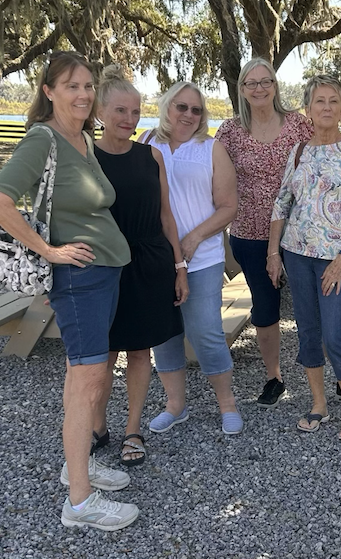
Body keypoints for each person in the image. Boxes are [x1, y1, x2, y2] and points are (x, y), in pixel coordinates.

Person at [0, 52, 138, 530]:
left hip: (105, 274)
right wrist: (49, 251)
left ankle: (75, 465)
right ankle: (78, 503)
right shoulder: (43, 139)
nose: (83, 94)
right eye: (72, 86)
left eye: (87, 86)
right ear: (49, 91)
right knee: (85, 382)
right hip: (79, 280)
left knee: (93, 379)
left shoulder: (81, 139)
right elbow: (1, 202)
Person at [216, 58, 341, 409]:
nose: (259, 88)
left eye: (266, 81)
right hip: (254, 233)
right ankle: (276, 379)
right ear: (242, 89)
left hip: (315, 243)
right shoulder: (231, 131)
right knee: (271, 310)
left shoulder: (299, 126)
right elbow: (210, 172)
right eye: (251, 82)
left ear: (276, 87)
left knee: (329, 321)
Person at [267, 75, 341, 441]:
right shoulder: (298, 150)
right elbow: (282, 202)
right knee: (309, 333)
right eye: (319, 101)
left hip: (336, 258)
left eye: (333, 101)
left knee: (334, 334)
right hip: (297, 255)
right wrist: (273, 251)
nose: (326, 107)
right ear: (309, 109)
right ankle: (318, 404)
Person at [92, 65, 189, 466]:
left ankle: (133, 429)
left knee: (138, 351)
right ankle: (96, 425)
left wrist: (179, 267)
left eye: (135, 113)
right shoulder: (83, 156)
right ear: (99, 111)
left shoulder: (151, 155)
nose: (129, 121)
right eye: (120, 111)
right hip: (101, 265)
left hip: (149, 261)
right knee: (100, 354)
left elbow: (167, 215)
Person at [142, 82, 243, 435]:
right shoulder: (145, 141)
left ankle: (227, 404)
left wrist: (194, 238)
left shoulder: (211, 149)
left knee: (206, 332)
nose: (188, 115)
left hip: (201, 259)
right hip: (156, 259)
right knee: (164, 334)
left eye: (196, 110)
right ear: (167, 106)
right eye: (181, 107)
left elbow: (229, 206)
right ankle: (175, 405)